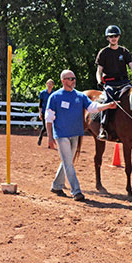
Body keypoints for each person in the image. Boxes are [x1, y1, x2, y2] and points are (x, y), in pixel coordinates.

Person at [46, 69, 117, 201]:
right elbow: (49, 118)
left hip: (76, 134)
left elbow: (93, 107)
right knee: (69, 163)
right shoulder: (55, 97)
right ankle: (76, 191)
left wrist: (107, 106)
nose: (73, 81)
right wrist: (50, 137)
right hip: (61, 135)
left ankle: (56, 185)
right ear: (63, 81)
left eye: (74, 78)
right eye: (70, 78)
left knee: (67, 161)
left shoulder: (80, 96)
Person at [95, 24, 132, 140]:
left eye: (115, 36)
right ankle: (103, 128)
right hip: (110, 83)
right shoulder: (103, 52)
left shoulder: (124, 51)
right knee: (107, 100)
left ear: (119, 37)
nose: (113, 38)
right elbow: (99, 70)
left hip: (124, 83)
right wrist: (99, 80)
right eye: (111, 36)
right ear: (107, 38)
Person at [37, 79, 55, 146]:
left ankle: (50, 143)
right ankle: (40, 137)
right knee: (45, 128)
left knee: (52, 128)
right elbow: (40, 104)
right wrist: (40, 113)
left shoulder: (54, 94)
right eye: (48, 83)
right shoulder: (42, 93)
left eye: (51, 84)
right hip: (44, 112)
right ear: (46, 84)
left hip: (52, 112)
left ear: (53, 86)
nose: (49, 85)